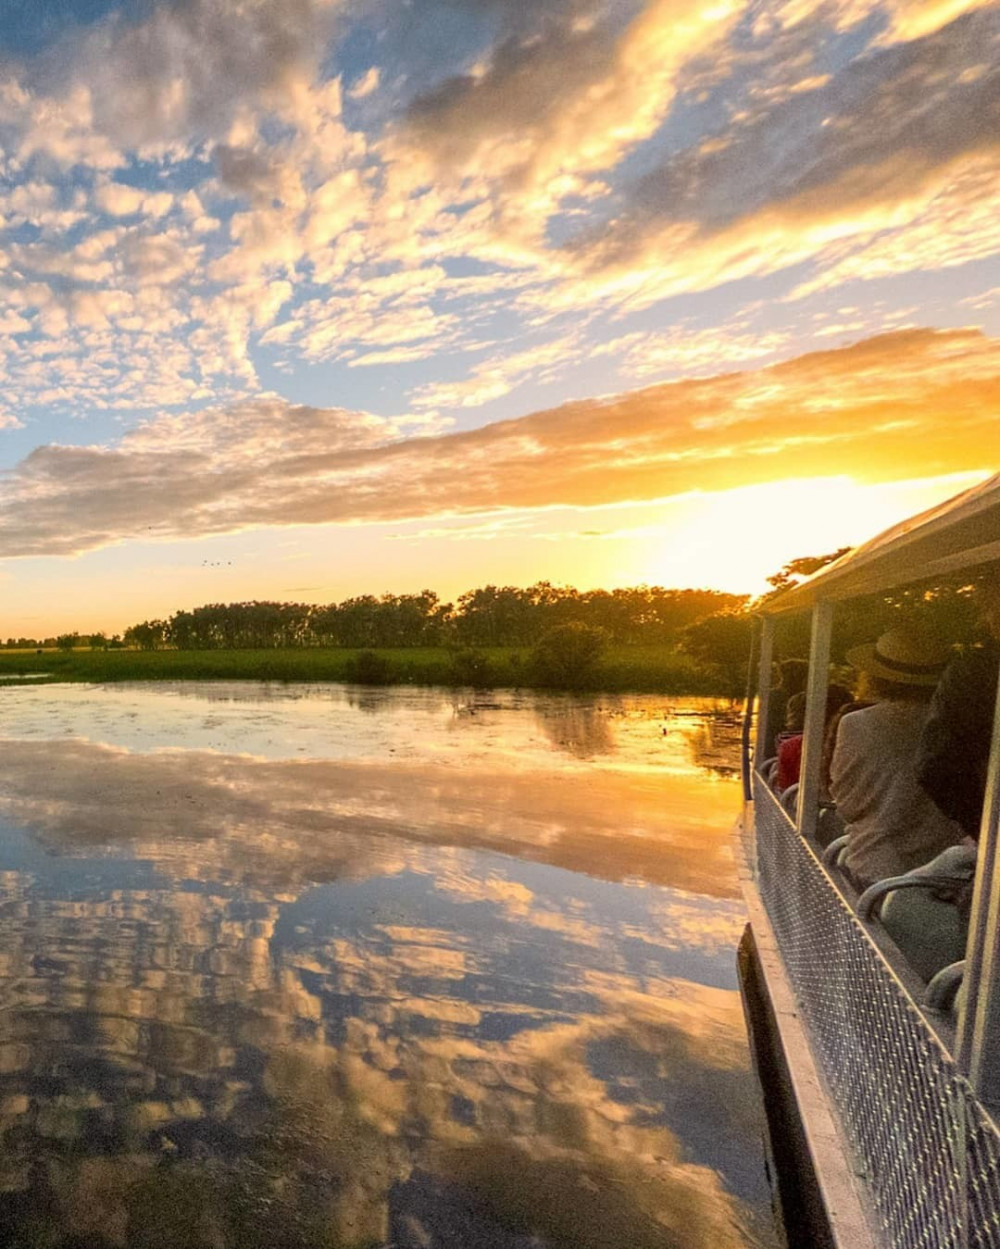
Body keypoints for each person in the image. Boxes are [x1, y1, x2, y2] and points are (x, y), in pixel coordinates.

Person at [829, 624, 964, 888]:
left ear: (877, 676)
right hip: (945, 874)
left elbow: (847, 804)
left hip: (876, 868)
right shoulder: (960, 725)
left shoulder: (856, 723)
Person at [917, 575, 1000, 841]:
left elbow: (934, 768)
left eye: (988, 608)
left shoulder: (975, 673)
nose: (983, 620)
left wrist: (985, 831)